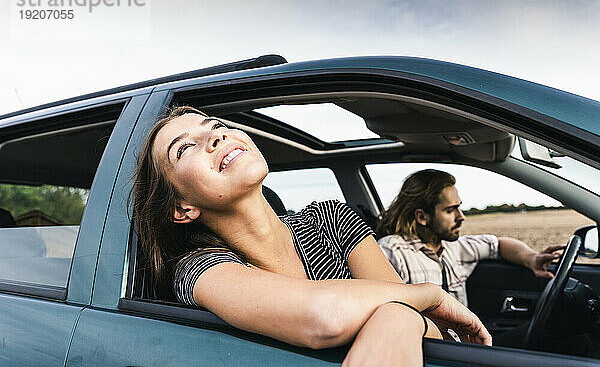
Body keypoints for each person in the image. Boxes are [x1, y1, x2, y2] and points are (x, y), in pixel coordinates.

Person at [131, 106, 492, 367]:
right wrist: (424, 297)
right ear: (182, 208)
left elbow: (429, 330)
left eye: (215, 125)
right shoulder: (199, 269)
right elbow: (324, 317)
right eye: (185, 148)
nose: (216, 136)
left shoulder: (331, 219)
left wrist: (399, 316)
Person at [376, 169, 564, 307]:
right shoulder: (392, 252)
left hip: (465, 343)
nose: (461, 216)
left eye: (459, 207)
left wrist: (531, 258)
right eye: (450, 210)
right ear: (422, 217)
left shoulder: (454, 248)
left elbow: (498, 245)